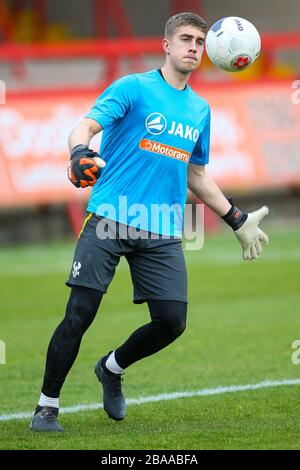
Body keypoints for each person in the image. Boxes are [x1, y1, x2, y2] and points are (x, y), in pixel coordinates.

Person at [30, 12, 269, 432]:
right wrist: (78, 152)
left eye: (199, 41)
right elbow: (84, 126)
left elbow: (196, 173)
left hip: (161, 227)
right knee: (79, 314)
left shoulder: (199, 109)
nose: (193, 47)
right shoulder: (133, 88)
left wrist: (236, 218)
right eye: (186, 39)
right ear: (167, 44)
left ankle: (111, 367)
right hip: (110, 218)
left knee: (172, 321)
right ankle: (47, 406)